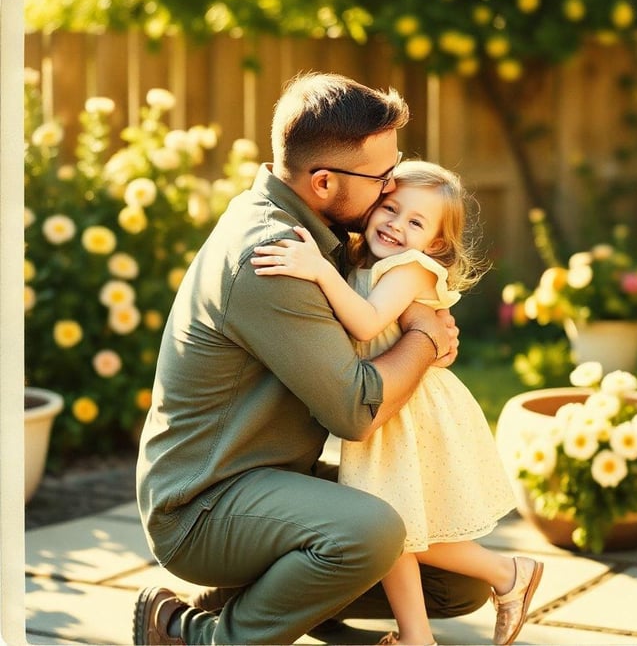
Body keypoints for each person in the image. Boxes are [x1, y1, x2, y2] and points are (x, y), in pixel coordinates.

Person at [133, 72, 491, 646]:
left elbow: (376, 314)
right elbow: (356, 411)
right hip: (203, 506)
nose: (389, 192)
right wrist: (423, 337)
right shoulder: (273, 256)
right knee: (373, 531)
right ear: (323, 181)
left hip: (270, 480)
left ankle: (265, 601)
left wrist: (417, 311)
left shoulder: (315, 232)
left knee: (451, 578)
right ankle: (192, 635)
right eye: (383, 179)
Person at [251, 159, 544, 646]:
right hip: (386, 404)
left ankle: (507, 571)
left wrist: (318, 271)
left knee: (398, 526)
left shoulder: (411, 268)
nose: (395, 224)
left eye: (415, 222)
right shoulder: (366, 260)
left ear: (435, 245)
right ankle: (417, 636)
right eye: (390, 207)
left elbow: (366, 323)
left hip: (409, 409)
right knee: (393, 527)